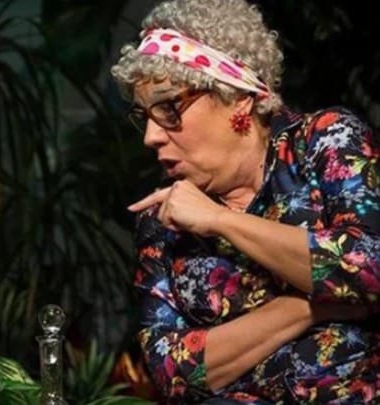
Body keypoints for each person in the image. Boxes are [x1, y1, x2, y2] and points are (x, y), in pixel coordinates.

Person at [111, 0, 380, 403]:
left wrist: (220, 221)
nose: (151, 136)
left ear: (238, 98)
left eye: (169, 108)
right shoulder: (162, 216)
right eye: (144, 115)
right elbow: (172, 373)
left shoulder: (324, 141)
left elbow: (369, 266)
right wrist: (308, 308)